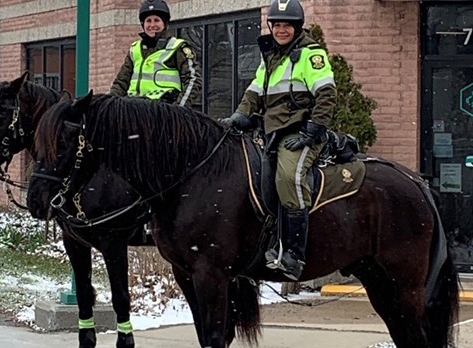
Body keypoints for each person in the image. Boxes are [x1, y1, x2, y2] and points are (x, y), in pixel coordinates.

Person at [221, 0, 337, 280]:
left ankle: (294, 254)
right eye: (277, 25)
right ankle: (271, 242)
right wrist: (238, 115)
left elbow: (327, 94)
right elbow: (254, 92)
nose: (281, 30)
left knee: (289, 178)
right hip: (273, 133)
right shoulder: (270, 58)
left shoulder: (312, 55)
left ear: (297, 27)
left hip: (300, 133)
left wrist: (313, 130)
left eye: (287, 25)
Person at [109, 0, 201, 107]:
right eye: (148, 21)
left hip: (163, 109)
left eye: (156, 20)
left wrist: (178, 109)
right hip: (134, 109)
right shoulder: (135, 49)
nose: (152, 25)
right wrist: (109, 106)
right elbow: (121, 83)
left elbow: (193, 80)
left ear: (164, 23)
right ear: (143, 24)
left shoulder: (177, 47)